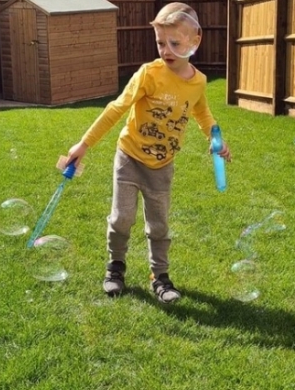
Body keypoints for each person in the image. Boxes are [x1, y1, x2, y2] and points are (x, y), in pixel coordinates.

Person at [63, 2, 231, 304]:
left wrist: (215, 138)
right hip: (129, 158)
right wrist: (84, 144)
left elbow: (203, 114)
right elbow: (117, 109)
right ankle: (115, 268)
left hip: (162, 166)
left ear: (195, 40)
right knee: (121, 219)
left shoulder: (198, 82)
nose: (165, 50)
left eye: (174, 43)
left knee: (159, 225)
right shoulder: (149, 74)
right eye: (160, 42)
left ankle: (160, 276)